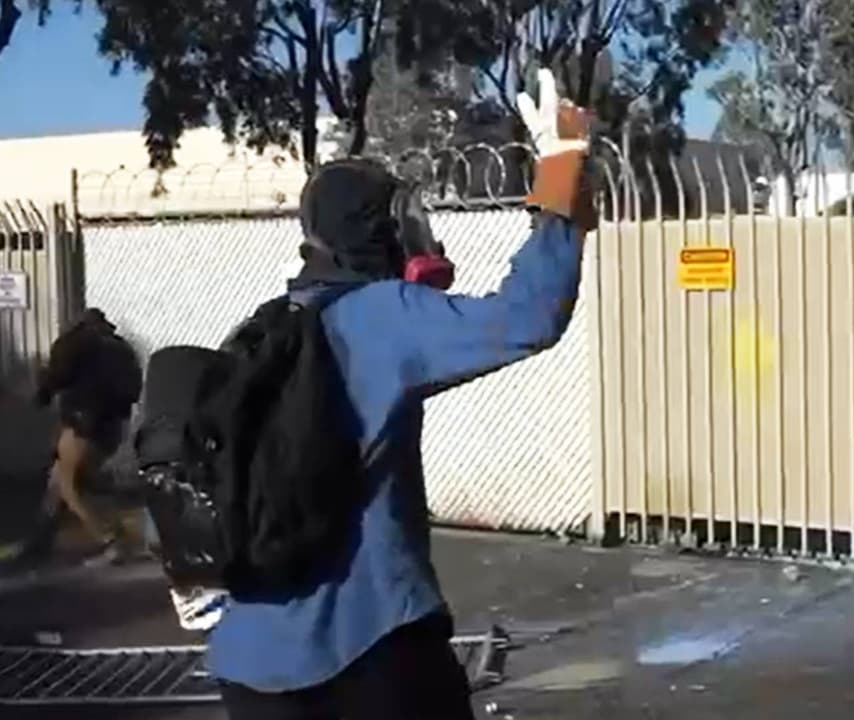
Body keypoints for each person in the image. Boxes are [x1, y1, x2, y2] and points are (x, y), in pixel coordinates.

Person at [209, 69, 594, 720]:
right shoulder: (384, 315)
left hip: (248, 661)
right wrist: (559, 170)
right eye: (404, 217)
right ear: (379, 228)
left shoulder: (258, 331)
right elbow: (529, 317)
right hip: (373, 647)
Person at [29, 307, 142, 565]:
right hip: (112, 426)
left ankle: (113, 540)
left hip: (83, 423)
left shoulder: (76, 342)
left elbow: (54, 377)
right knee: (59, 480)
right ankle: (40, 541)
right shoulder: (121, 348)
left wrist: (41, 392)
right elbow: (133, 389)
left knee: (72, 486)